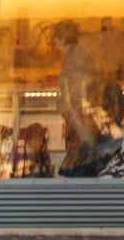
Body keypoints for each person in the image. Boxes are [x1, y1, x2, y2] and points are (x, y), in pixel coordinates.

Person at [52, 20, 123, 177]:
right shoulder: (77, 57)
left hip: (83, 126)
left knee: (84, 167)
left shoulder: (75, 60)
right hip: (83, 125)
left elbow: (77, 96)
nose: (53, 42)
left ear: (62, 38)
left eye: (55, 37)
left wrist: (67, 108)